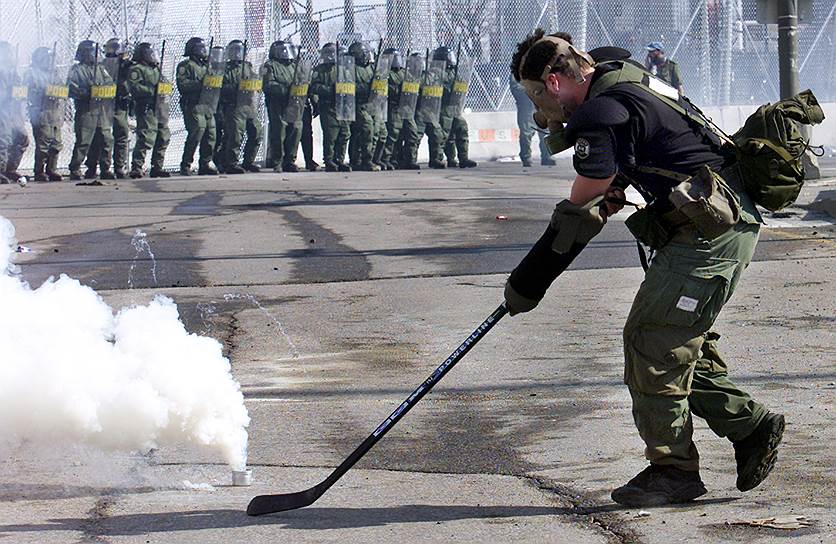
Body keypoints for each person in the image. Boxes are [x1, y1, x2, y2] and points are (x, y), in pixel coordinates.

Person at [507, 29, 783, 506]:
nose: (540, 110)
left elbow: (575, 217)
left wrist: (525, 287)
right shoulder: (624, 80)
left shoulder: (601, 111)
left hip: (710, 229)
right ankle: (749, 425)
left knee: (652, 342)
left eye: (536, 95)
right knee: (673, 342)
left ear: (554, 82)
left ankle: (673, 471)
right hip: (710, 219)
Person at [67, 40, 116, 181]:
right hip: (86, 110)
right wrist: (88, 91)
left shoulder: (101, 69)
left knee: (105, 139)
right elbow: (71, 88)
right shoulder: (77, 70)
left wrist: (104, 89)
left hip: (102, 110)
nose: (96, 56)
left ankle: (104, 168)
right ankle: (75, 169)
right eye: (92, 53)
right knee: (84, 141)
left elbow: (109, 82)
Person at [87, 38, 132, 179]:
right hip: (105, 104)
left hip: (119, 103)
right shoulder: (102, 64)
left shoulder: (126, 65)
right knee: (103, 136)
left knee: (120, 135)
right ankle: (99, 167)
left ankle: (119, 167)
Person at [126, 42, 171, 178]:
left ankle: (157, 166)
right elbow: (134, 87)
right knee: (146, 136)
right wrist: (152, 91)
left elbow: (166, 83)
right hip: (146, 106)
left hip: (160, 106)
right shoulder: (136, 69)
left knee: (163, 136)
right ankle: (137, 167)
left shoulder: (156, 69)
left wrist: (165, 87)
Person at [176, 37, 219, 175]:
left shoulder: (207, 66)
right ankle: (186, 164)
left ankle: (205, 163)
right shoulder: (185, 65)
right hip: (193, 104)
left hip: (207, 105)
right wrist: (201, 84)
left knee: (211, 133)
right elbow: (182, 85)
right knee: (197, 131)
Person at [219, 39, 262, 174]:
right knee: (236, 136)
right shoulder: (224, 69)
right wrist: (235, 88)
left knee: (256, 132)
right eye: (234, 51)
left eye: (239, 51)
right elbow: (219, 87)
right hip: (233, 106)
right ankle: (231, 163)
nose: (237, 54)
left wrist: (255, 83)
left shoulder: (247, 67)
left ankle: (248, 161)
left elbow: (255, 79)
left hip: (248, 106)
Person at [25, 46, 65, 181]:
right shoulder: (32, 73)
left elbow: (62, 89)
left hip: (54, 112)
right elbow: (28, 91)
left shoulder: (54, 73)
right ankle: (39, 171)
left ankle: (51, 169)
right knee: (43, 144)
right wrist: (41, 91)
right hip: (41, 111)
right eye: (47, 59)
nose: (49, 62)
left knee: (56, 143)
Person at [310, 43, 351, 172]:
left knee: (344, 133)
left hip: (343, 105)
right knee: (331, 134)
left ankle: (339, 159)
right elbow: (314, 87)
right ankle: (329, 160)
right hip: (327, 105)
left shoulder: (344, 69)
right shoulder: (319, 70)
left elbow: (350, 84)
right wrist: (330, 90)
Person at [262, 40, 301, 173]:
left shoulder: (294, 65)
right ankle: (277, 161)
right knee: (279, 131)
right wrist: (284, 90)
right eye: (282, 50)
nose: (285, 53)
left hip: (293, 103)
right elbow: (268, 84)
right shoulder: (270, 65)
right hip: (277, 103)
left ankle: (290, 161)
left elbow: (302, 80)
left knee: (294, 130)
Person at [509, 73, 554, 167]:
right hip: (527, 106)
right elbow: (515, 87)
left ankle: (547, 156)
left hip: (542, 104)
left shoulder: (542, 68)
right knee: (526, 133)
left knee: (545, 131)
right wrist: (529, 92)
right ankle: (526, 157)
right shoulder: (519, 69)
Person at [0, 41, 30, 183]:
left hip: (13, 111)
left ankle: (10, 169)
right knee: (3, 140)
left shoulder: (12, 71)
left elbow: (20, 90)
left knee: (21, 138)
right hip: (2, 111)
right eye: (8, 53)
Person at [347, 41, 379, 172]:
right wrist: (366, 87)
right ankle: (366, 160)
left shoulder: (371, 68)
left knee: (372, 132)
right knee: (367, 128)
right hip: (357, 104)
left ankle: (358, 159)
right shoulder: (350, 68)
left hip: (370, 104)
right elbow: (349, 86)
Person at [374, 47, 405, 171]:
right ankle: (385, 158)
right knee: (390, 133)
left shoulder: (402, 72)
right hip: (388, 105)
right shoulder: (383, 72)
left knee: (399, 133)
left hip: (401, 105)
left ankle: (396, 157)